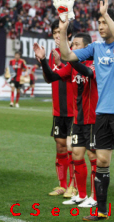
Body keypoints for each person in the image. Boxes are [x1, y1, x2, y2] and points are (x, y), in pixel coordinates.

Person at [59, 0, 114, 221]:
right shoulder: (95, 47)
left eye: (105, 22)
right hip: (102, 113)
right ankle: (102, 210)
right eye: (100, 22)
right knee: (102, 161)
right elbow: (67, 54)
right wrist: (64, 28)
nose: (101, 25)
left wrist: (107, 14)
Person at [34, 32, 98, 208]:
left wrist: (71, 59)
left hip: (93, 118)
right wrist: (44, 61)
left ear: (86, 47)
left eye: (76, 45)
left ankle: (95, 197)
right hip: (78, 118)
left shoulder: (94, 63)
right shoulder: (72, 66)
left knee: (93, 156)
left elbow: (87, 72)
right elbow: (53, 77)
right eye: (73, 44)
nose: (73, 47)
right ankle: (81, 195)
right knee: (76, 155)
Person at [45, 20, 76, 198]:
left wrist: (61, 62)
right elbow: (50, 77)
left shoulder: (74, 52)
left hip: (73, 110)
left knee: (73, 148)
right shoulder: (52, 54)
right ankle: (62, 185)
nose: (57, 35)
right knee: (60, 146)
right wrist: (43, 62)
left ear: (68, 34)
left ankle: (74, 184)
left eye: (61, 31)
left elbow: (71, 75)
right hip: (58, 110)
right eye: (55, 31)